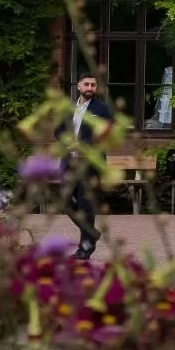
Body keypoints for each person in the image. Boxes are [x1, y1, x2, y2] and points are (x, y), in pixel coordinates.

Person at [61, 71, 113, 260]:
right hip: (69, 163)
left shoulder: (102, 109)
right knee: (65, 202)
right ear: (79, 86)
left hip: (89, 165)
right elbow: (58, 129)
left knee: (85, 206)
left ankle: (85, 248)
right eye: (87, 84)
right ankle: (91, 232)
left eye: (93, 85)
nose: (90, 88)